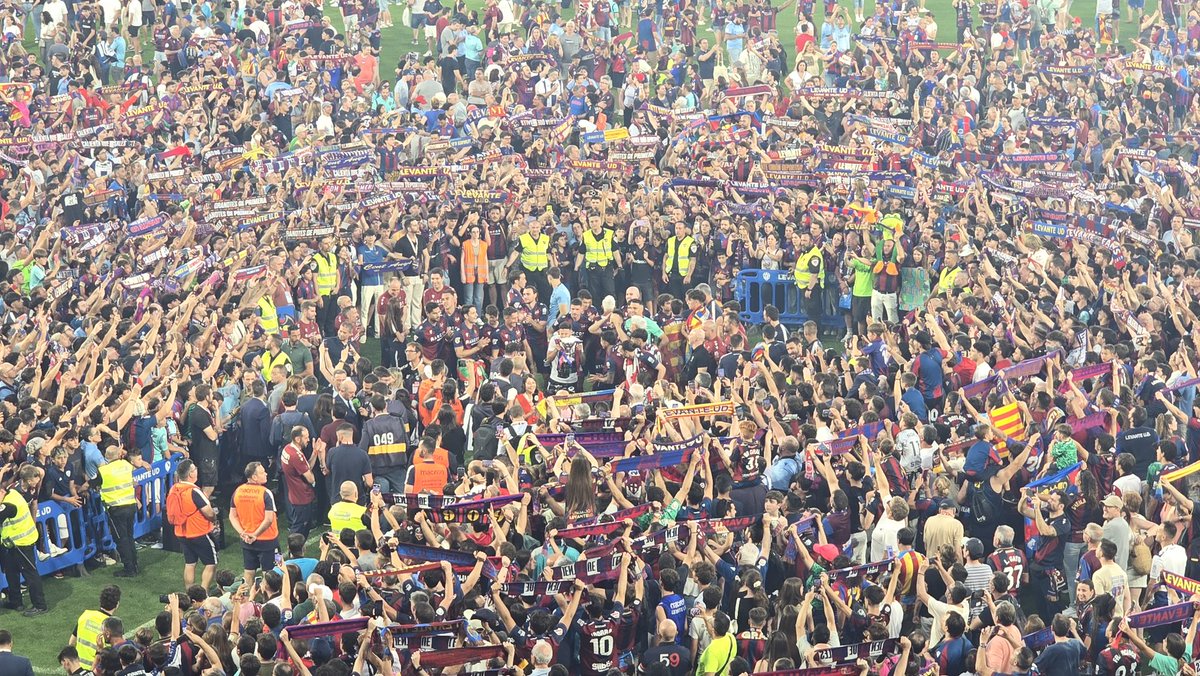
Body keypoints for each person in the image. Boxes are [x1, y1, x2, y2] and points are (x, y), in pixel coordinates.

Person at [164, 459, 219, 589]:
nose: (197, 471)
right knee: (211, 563)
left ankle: (190, 593)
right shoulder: (194, 491)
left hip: (181, 533)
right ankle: (203, 593)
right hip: (198, 532)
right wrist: (214, 520)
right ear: (190, 475)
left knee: (190, 563)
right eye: (194, 469)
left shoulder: (173, 489)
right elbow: (209, 512)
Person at [0, 466, 46, 615]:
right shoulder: (12, 492)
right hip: (11, 544)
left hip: (22, 543)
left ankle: (40, 605)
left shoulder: (9, 504)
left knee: (30, 574)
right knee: (11, 573)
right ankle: (16, 602)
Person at [229, 462, 280, 589]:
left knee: (249, 571)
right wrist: (255, 535)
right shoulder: (265, 493)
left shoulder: (238, 491)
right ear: (254, 477)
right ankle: (267, 599)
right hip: (267, 540)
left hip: (246, 540)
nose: (266, 473)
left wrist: (242, 533)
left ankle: (247, 600)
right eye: (262, 472)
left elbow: (232, 515)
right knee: (269, 572)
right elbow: (268, 519)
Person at [95, 445, 140, 578]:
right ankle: (134, 564)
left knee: (121, 539)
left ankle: (129, 569)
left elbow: (92, 484)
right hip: (130, 505)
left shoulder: (103, 470)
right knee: (129, 536)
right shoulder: (126, 465)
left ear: (106, 456)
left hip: (116, 509)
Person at [69, 585, 121, 672]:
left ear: (100, 601)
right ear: (117, 604)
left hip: (77, 669)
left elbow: (71, 642)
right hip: (96, 670)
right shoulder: (113, 625)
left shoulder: (85, 615)